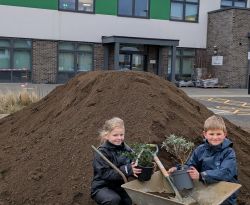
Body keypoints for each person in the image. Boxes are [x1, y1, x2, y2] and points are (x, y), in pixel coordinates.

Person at [169, 115, 239, 205]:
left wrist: (202, 175)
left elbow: (226, 172)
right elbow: (191, 165)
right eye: (211, 134)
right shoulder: (200, 150)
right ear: (205, 134)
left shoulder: (229, 152)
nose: (215, 137)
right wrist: (178, 168)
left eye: (218, 134)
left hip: (224, 195)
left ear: (225, 134)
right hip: (207, 190)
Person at [91, 117, 141, 205]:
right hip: (102, 187)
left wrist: (139, 168)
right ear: (106, 135)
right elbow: (105, 174)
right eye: (115, 135)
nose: (119, 138)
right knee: (113, 200)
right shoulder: (102, 153)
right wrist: (127, 169)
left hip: (119, 186)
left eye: (121, 135)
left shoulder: (126, 149)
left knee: (130, 200)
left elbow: (134, 162)